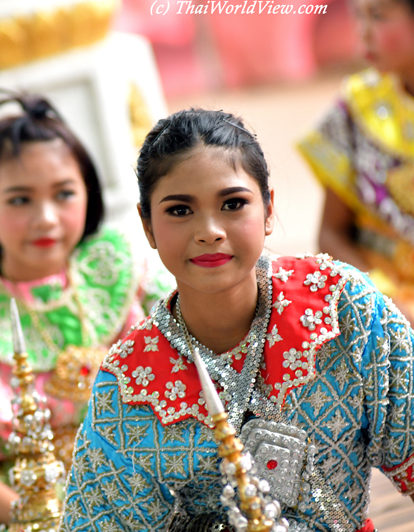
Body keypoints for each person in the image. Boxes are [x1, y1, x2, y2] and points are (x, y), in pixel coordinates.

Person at [60, 109, 414, 532]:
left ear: (267, 209)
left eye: (232, 204)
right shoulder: (127, 389)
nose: (209, 230)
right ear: (147, 226)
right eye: (179, 211)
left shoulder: (342, 308)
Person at [0, 94, 172, 532]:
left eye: (64, 194)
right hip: (12, 504)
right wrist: (62, 521)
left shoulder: (124, 267)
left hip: (137, 476)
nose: (46, 218)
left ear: (88, 192)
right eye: (20, 200)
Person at [297, 0, 414, 323]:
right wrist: (386, 303)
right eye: (358, 16)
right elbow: (331, 234)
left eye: (378, 16)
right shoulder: (358, 107)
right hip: (383, 308)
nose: (363, 33)